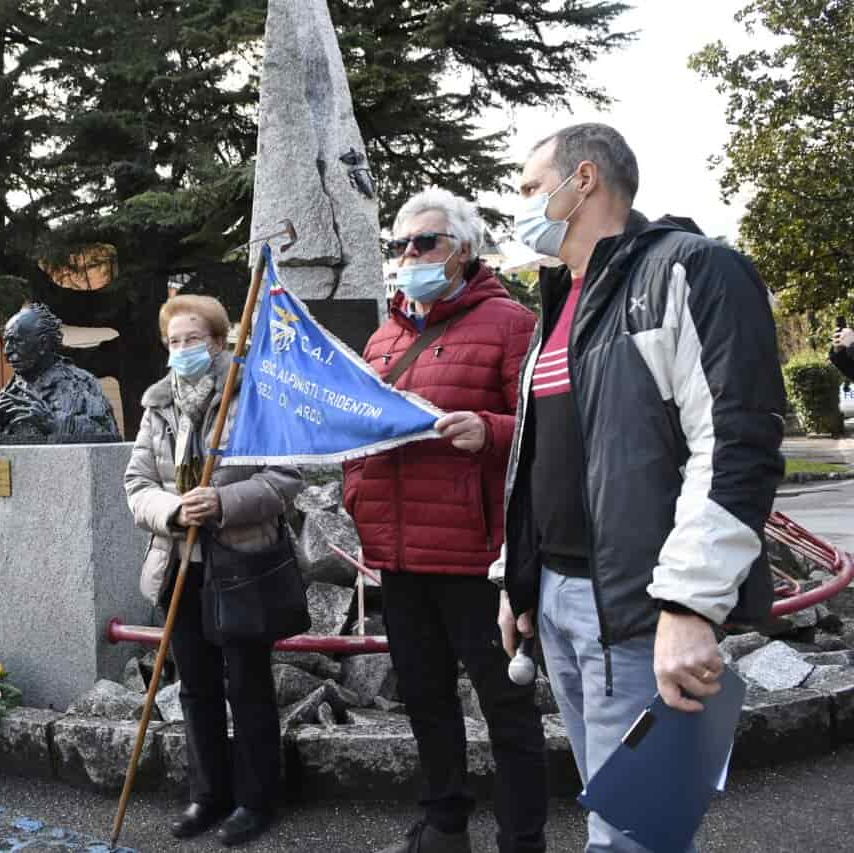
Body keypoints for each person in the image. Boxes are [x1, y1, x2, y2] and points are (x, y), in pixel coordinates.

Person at [493, 123, 785, 852]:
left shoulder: (694, 270)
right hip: (560, 601)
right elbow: (544, 459)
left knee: (631, 833)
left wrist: (689, 603)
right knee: (621, 814)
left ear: (583, 180)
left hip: (635, 608)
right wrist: (519, 582)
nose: (522, 204)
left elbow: (736, 443)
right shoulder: (559, 301)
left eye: (531, 187)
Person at [343, 188, 546, 853]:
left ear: (463, 250)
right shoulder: (383, 334)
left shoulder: (512, 323)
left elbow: (552, 431)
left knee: (507, 710)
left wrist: (488, 430)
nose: (409, 254)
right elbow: (356, 425)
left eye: (424, 242)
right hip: (399, 556)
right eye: (400, 243)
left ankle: (521, 838)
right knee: (427, 702)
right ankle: (443, 825)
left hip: (475, 557)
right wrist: (354, 492)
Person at [124, 295, 302, 847]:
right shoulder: (158, 404)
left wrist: (223, 504)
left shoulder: (251, 396)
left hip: (239, 565)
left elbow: (286, 476)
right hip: (180, 565)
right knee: (196, 687)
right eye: (174, 341)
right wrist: (174, 510)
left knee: (248, 686)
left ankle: (256, 799)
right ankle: (208, 793)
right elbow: (137, 484)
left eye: (194, 340)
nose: (183, 350)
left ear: (220, 342)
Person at [0, 303, 120, 440]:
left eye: (17, 341)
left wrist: (53, 423)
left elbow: (109, 434)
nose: (7, 351)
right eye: (7, 341)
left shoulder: (81, 384)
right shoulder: (7, 394)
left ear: (43, 344)